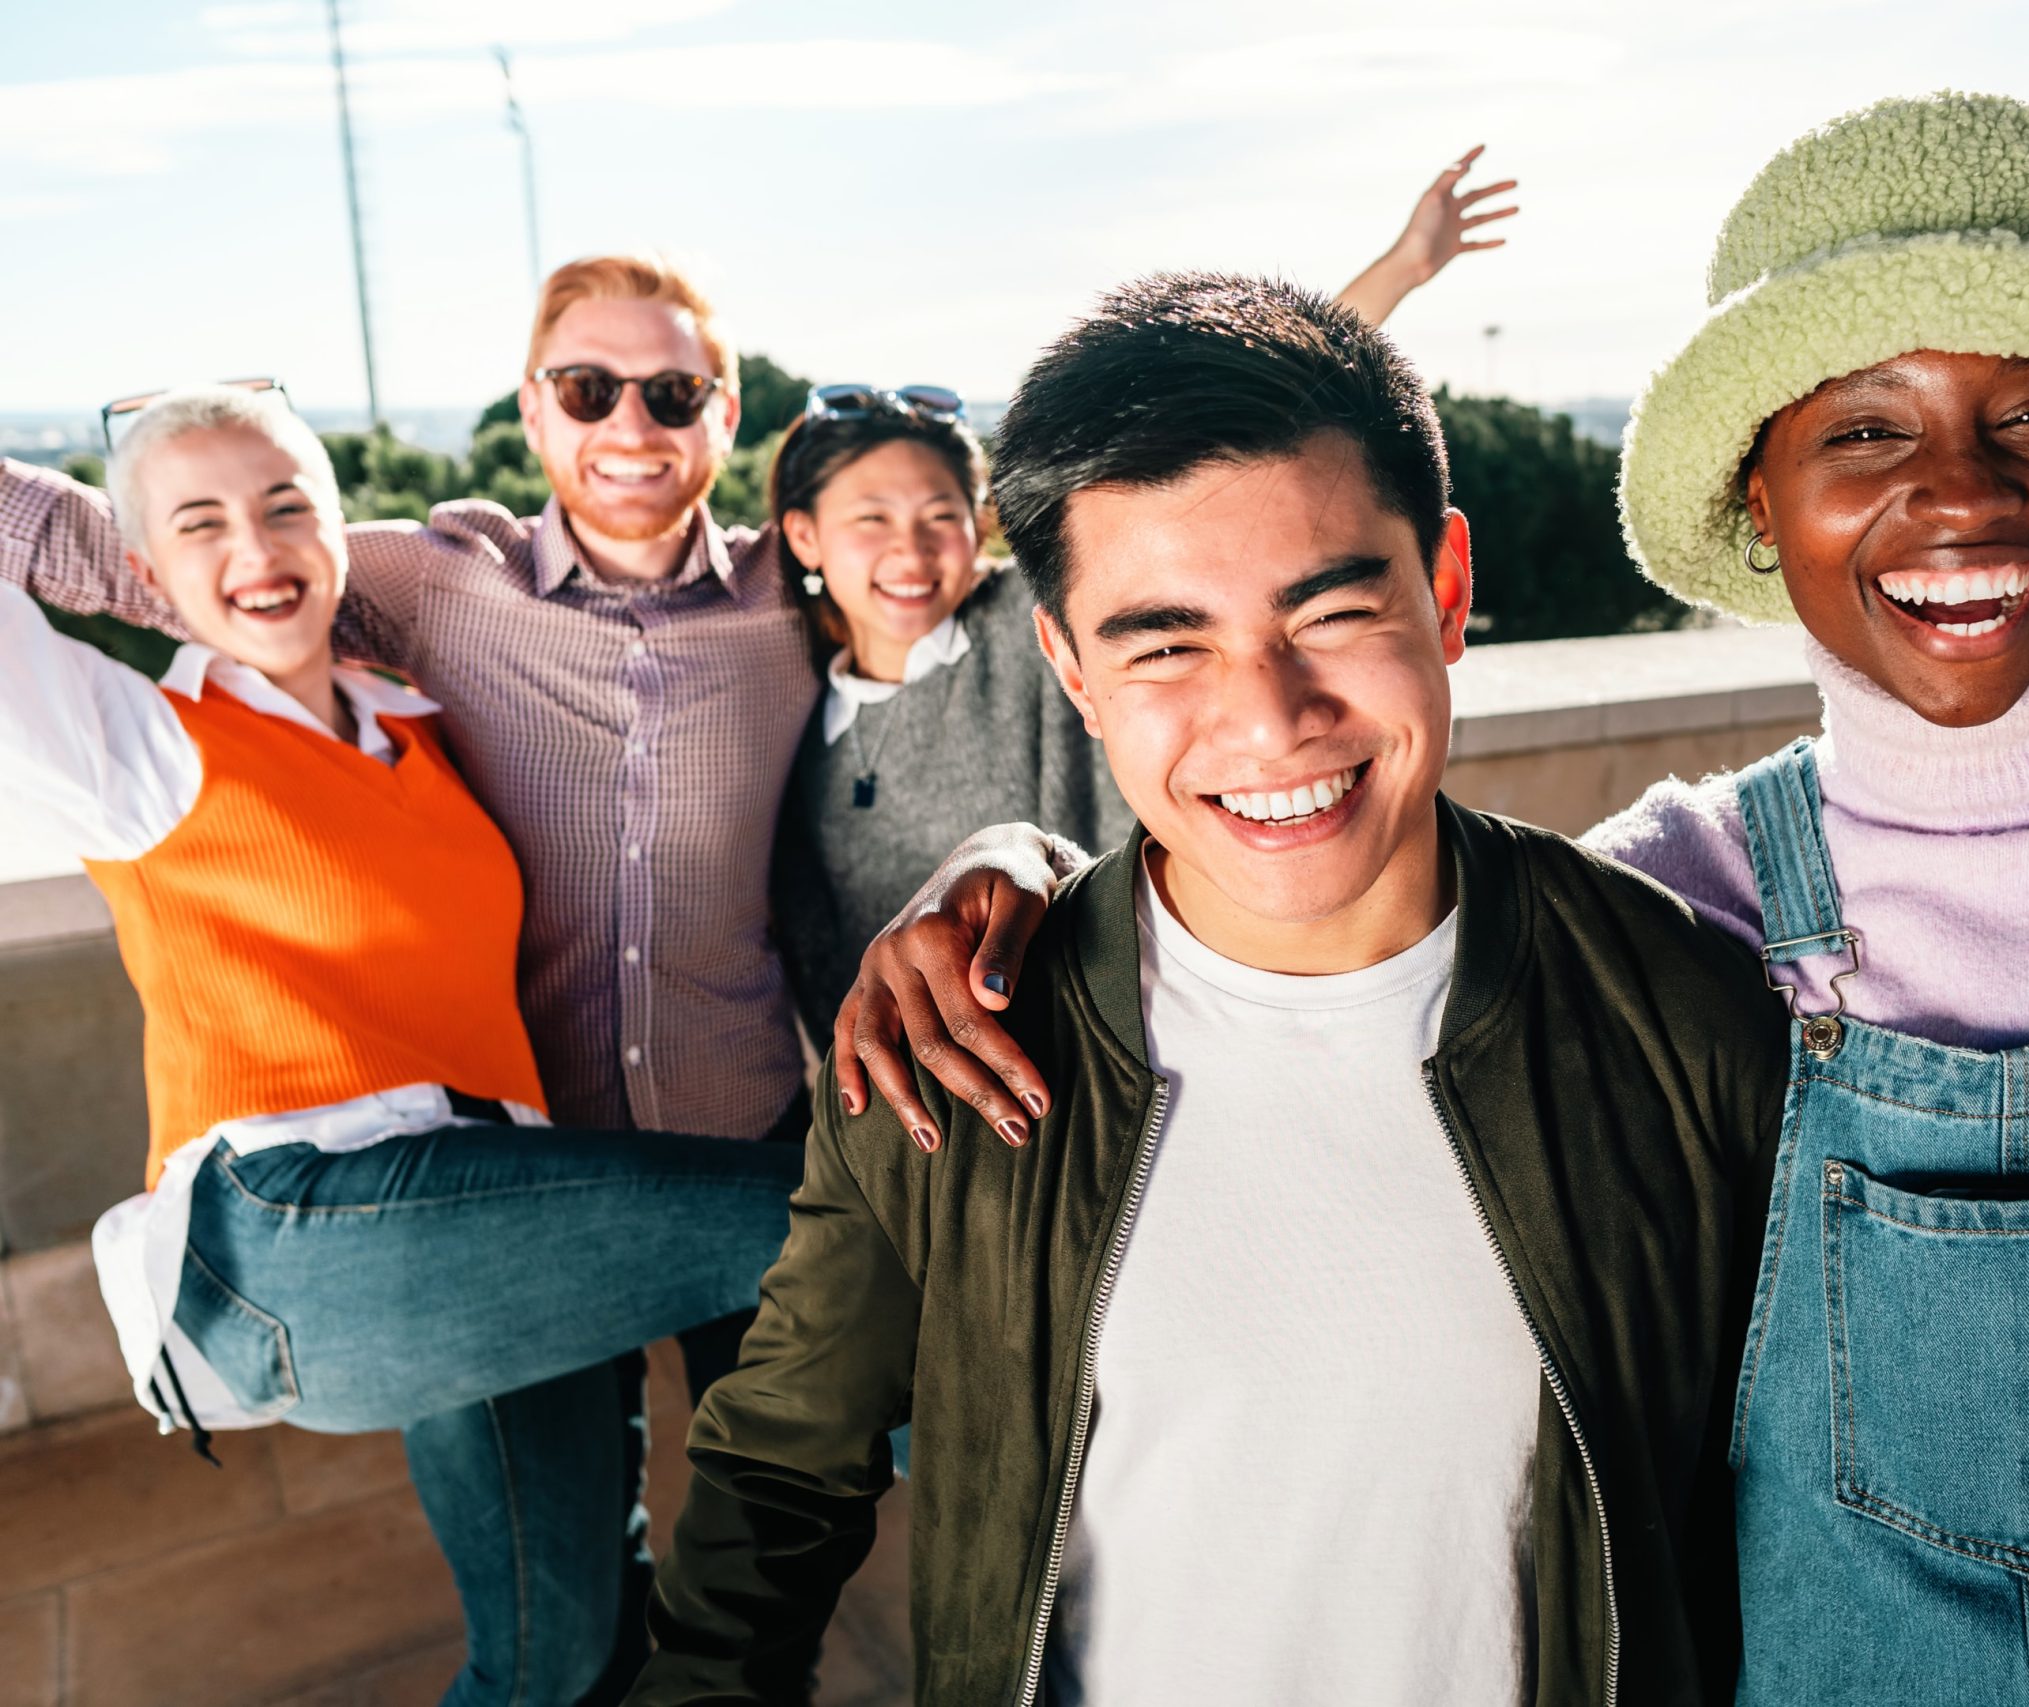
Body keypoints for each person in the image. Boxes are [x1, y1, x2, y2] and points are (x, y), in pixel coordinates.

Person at [824, 97, 2029, 1700]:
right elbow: (1325, 885)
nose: (1959, 493)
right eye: (1865, 428)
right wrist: (1019, 877)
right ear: (1760, 490)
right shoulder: (1687, 899)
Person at [0, 146, 1521, 1692]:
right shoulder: (420, 581)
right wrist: (160, 514)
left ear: (729, 419)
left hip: (742, 1141)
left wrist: (1380, 286)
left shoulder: (801, 596)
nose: (629, 427)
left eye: (671, 396)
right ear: (532, 412)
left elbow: (1151, 502)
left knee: (775, 1553)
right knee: (554, 1623)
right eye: (584, 391)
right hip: (502, 1183)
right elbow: (156, 551)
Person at [629, 273, 1792, 1705]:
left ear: (1446, 588)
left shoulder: (1685, 1017)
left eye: (1334, 608)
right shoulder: (955, 1040)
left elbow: (1794, 1506)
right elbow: (773, 1476)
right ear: (1068, 662)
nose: (1269, 715)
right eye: (1166, 640)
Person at [0, 385, 806, 1707]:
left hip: (485, 1218)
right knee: (836, 1218)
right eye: (197, 524)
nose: (254, 549)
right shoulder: (140, 748)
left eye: (284, 507)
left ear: (338, 531)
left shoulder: (416, 730)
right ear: (142, 572)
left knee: (566, 1651)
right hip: (298, 1231)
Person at [764, 389, 1132, 1050]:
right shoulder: (790, 725)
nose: (912, 551)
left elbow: (1211, 443)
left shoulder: (1034, 618)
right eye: (872, 518)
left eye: (941, 515)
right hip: (945, 1123)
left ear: (978, 523)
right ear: (805, 536)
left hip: (1128, 1045)